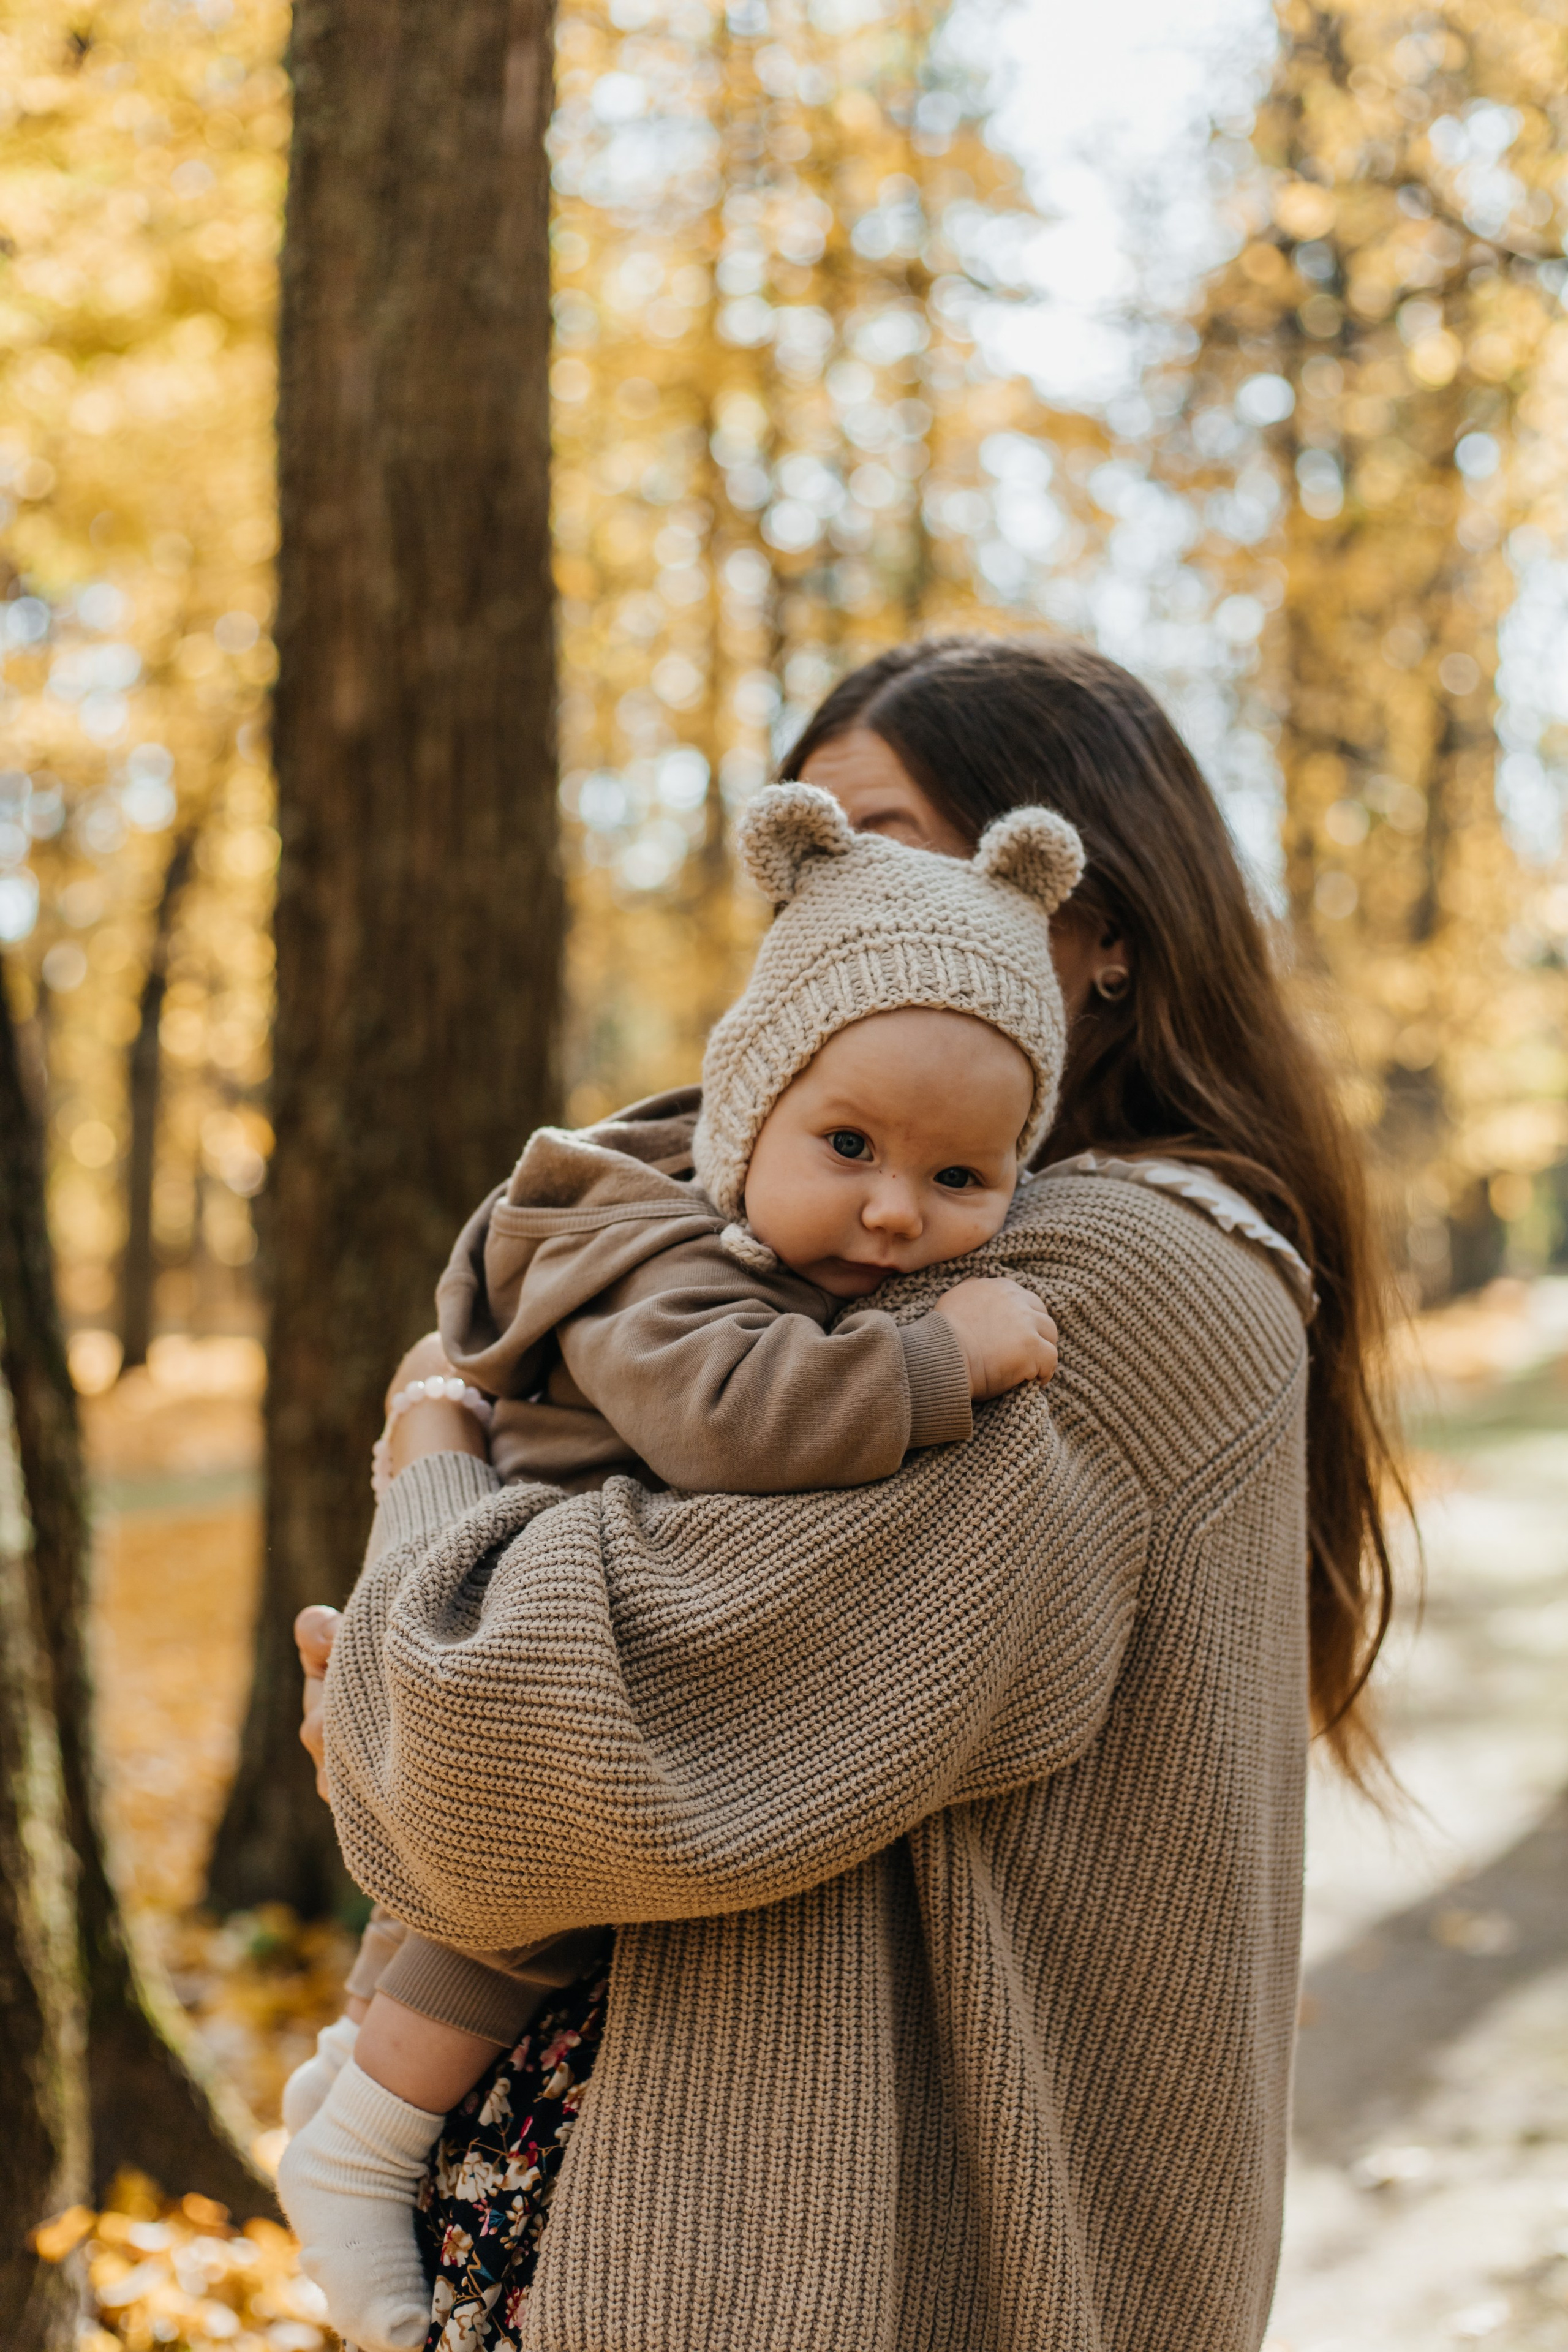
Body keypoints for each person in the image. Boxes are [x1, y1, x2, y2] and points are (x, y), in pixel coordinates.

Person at [296, 634, 1402, 2352]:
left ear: (1100, 933)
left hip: (837, 2273)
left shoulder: (1090, 1285)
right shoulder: (908, 1267)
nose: (871, 910)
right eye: (832, 860)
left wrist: (428, 1472)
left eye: (912, 840)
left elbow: (478, 1752)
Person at [276, 782, 1084, 2351]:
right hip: (516, 1654)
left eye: (961, 1182)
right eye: (844, 1144)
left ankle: (351, 2082)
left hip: (527, 1639)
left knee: (485, 1910)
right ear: (743, 1115)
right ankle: (355, 2146)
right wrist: (939, 1363)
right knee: (523, 1903)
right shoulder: (655, 1270)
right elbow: (727, 1428)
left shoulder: (772, 1244)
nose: (893, 1210)